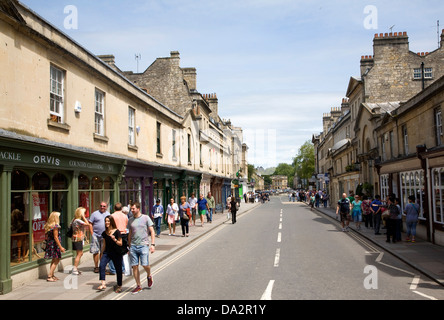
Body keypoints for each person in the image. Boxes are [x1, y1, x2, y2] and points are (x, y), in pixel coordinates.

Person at [128, 202, 155, 294]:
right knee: (134, 266)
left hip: (143, 245)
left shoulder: (146, 218)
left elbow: (152, 231)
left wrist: (152, 244)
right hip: (133, 245)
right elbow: (130, 233)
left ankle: (149, 275)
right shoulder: (130, 220)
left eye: (133, 209)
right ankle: (138, 285)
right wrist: (129, 245)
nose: (131, 210)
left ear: (138, 209)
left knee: (145, 265)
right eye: (131, 209)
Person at [98, 215, 124, 293]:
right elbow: (104, 244)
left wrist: (115, 239)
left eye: (108, 221)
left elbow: (120, 243)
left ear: (111, 222)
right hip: (107, 253)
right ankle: (103, 284)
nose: (107, 222)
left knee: (118, 270)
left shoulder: (117, 231)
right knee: (101, 266)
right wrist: (101, 253)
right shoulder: (104, 233)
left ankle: (119, 285)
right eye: (106, 221)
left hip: (116, 253)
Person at [44, 211, 66, 282]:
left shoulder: (49, 225)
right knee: (57, 259)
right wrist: (61, 247)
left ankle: (52, 275)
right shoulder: (55, 226)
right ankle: (50, 275)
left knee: (54, 259)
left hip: (50, 244)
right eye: (58, 217)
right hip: (54, 245)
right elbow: (56, 237)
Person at [89, 202, 110, 273]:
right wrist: (92, 233)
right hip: (96, 235)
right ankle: (96, 266)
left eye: (104, 206)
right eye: (101, 206)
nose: (102, 207)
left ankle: (102, 266)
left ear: (106, 207)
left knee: (103, 251)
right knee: (95, 251)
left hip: (104, 236)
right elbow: (90, 224)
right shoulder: (94, 214)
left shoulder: (108, 214)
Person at [109, 202, 128, 276]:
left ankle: (113, 269)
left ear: (114, 208)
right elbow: (126, 224)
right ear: (121, 208)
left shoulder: (112, 216)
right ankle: (122, 268)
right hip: (123, 234)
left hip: (115, 234)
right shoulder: (125, 216)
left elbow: (110, 226)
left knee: (111, 252)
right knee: (121, 252)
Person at [71, 207, 90, 275]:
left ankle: (76, 268)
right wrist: (84, 217)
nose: (85, 214)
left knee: (80, 253)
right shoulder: (77, 220)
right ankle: (75, 268)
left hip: (78, 239)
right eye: (84, 213)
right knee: (79, 254)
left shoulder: (74, 220)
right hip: (77, 239)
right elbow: (87, 224)